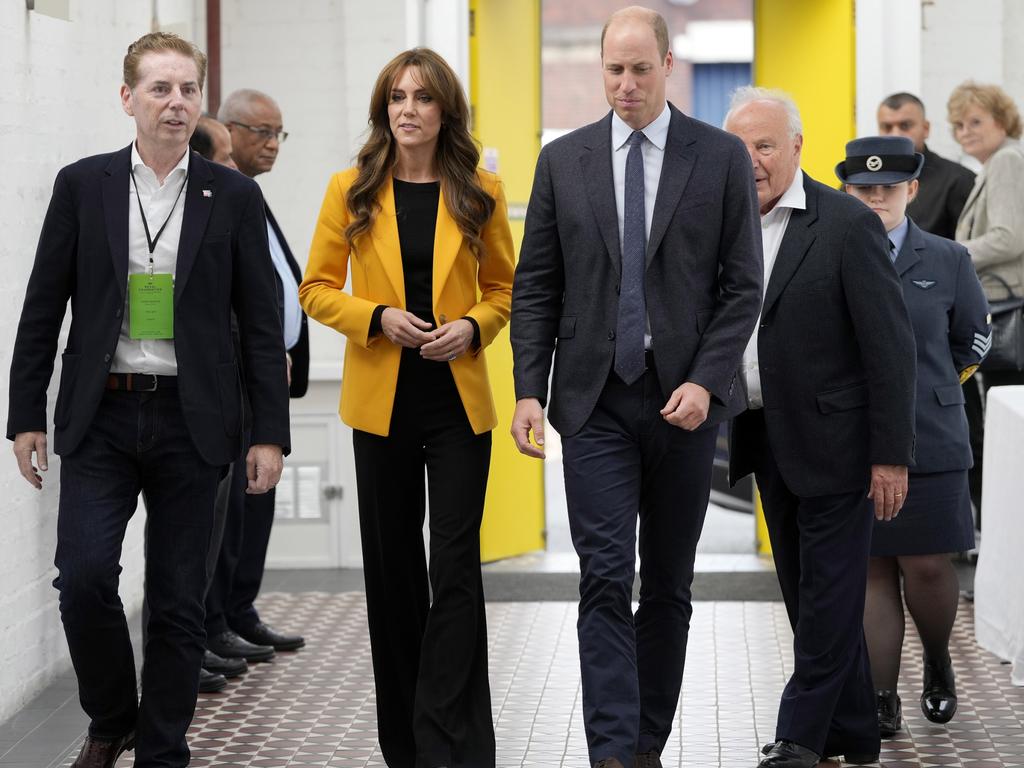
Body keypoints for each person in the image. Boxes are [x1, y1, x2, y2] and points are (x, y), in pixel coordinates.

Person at [6, 32, 290, 768]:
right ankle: (112, 716)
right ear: (127, 98)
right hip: (100, 414)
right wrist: (25, 413)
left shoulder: (231, 195)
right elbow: (43, 306)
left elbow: (260, 324)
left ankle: (163, 746)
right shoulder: (84, 185)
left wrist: (269, 434)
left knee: (177, 598)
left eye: (188, 89)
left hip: (193, 421)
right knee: (86, 579)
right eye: (160, 89)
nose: (176, 103)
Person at [511, 8, 762, 767]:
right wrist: (529, 389)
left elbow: (741, 287)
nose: (625, 84)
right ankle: (614, 753)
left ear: (668, 65)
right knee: (604, 577)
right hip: (592, 402)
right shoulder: (564, 160)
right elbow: (537, 286)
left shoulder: (718, 157)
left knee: (668, 587)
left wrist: (705, 380)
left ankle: (646, 741)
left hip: (683, 403)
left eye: (640, 69)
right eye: (613, 70)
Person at [299, 47, 514, 768]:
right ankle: (407, 746)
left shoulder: (478, 190)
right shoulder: (351, 190)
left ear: (444, 109)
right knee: (392, 574)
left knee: (454, 570)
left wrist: (473, 327)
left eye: (422, 98)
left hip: (458, 405)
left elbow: (506, 292)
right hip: (381, 405)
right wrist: (375, 317)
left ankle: (452, 740)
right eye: (396, 97)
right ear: (383, 109)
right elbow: (315, 288)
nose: (407, 110)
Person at [725, 88, 916, 768]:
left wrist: (891, 456)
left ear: (798, 148)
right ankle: (854, 732)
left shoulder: (845, 224)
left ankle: (800, 738)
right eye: (740, 147)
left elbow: (891, 349)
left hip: (841, 447)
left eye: (765, 146)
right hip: (765, 439)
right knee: (808, 594)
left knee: (829, 596)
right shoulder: (724, 224)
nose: (750, 161)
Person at [836, 135, 990, 738]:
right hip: (859, 435)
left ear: (913, 190)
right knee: (874, 566)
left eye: (889, 188)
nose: (877, 198)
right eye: (864, 188)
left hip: (932, 431)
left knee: (926, 564)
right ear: (848, 190)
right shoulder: (831, 251)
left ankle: (939, 662)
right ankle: (880, 696)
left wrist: (927, 386)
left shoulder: (947, 258)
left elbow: (974, 337)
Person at [202, 88, 309, 663]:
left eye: (278, 134)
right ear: (227, 130)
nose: (271, 145)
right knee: (227, 507)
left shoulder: (249, 199)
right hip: (233, 377)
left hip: (265, 377)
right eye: (260, 132)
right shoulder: (212, 201)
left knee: (254, 504)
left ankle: (238, 611)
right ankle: (212, 625)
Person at [949, 81, 1024, 520]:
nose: (964, 132)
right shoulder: (998, 164)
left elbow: (1009, 238)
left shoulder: (1008, 161)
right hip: (1001, 309)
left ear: (1002, 120)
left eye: (975, 121)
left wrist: (949, 255)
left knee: (1004, 430)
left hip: (1008, 312)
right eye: (958, 125)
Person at [877, 92, 976, 240]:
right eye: (887, 127)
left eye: (905, 126)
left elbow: (970, 247)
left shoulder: (958, 180)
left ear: (926, 128)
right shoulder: (860, 179)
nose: (895, 134)